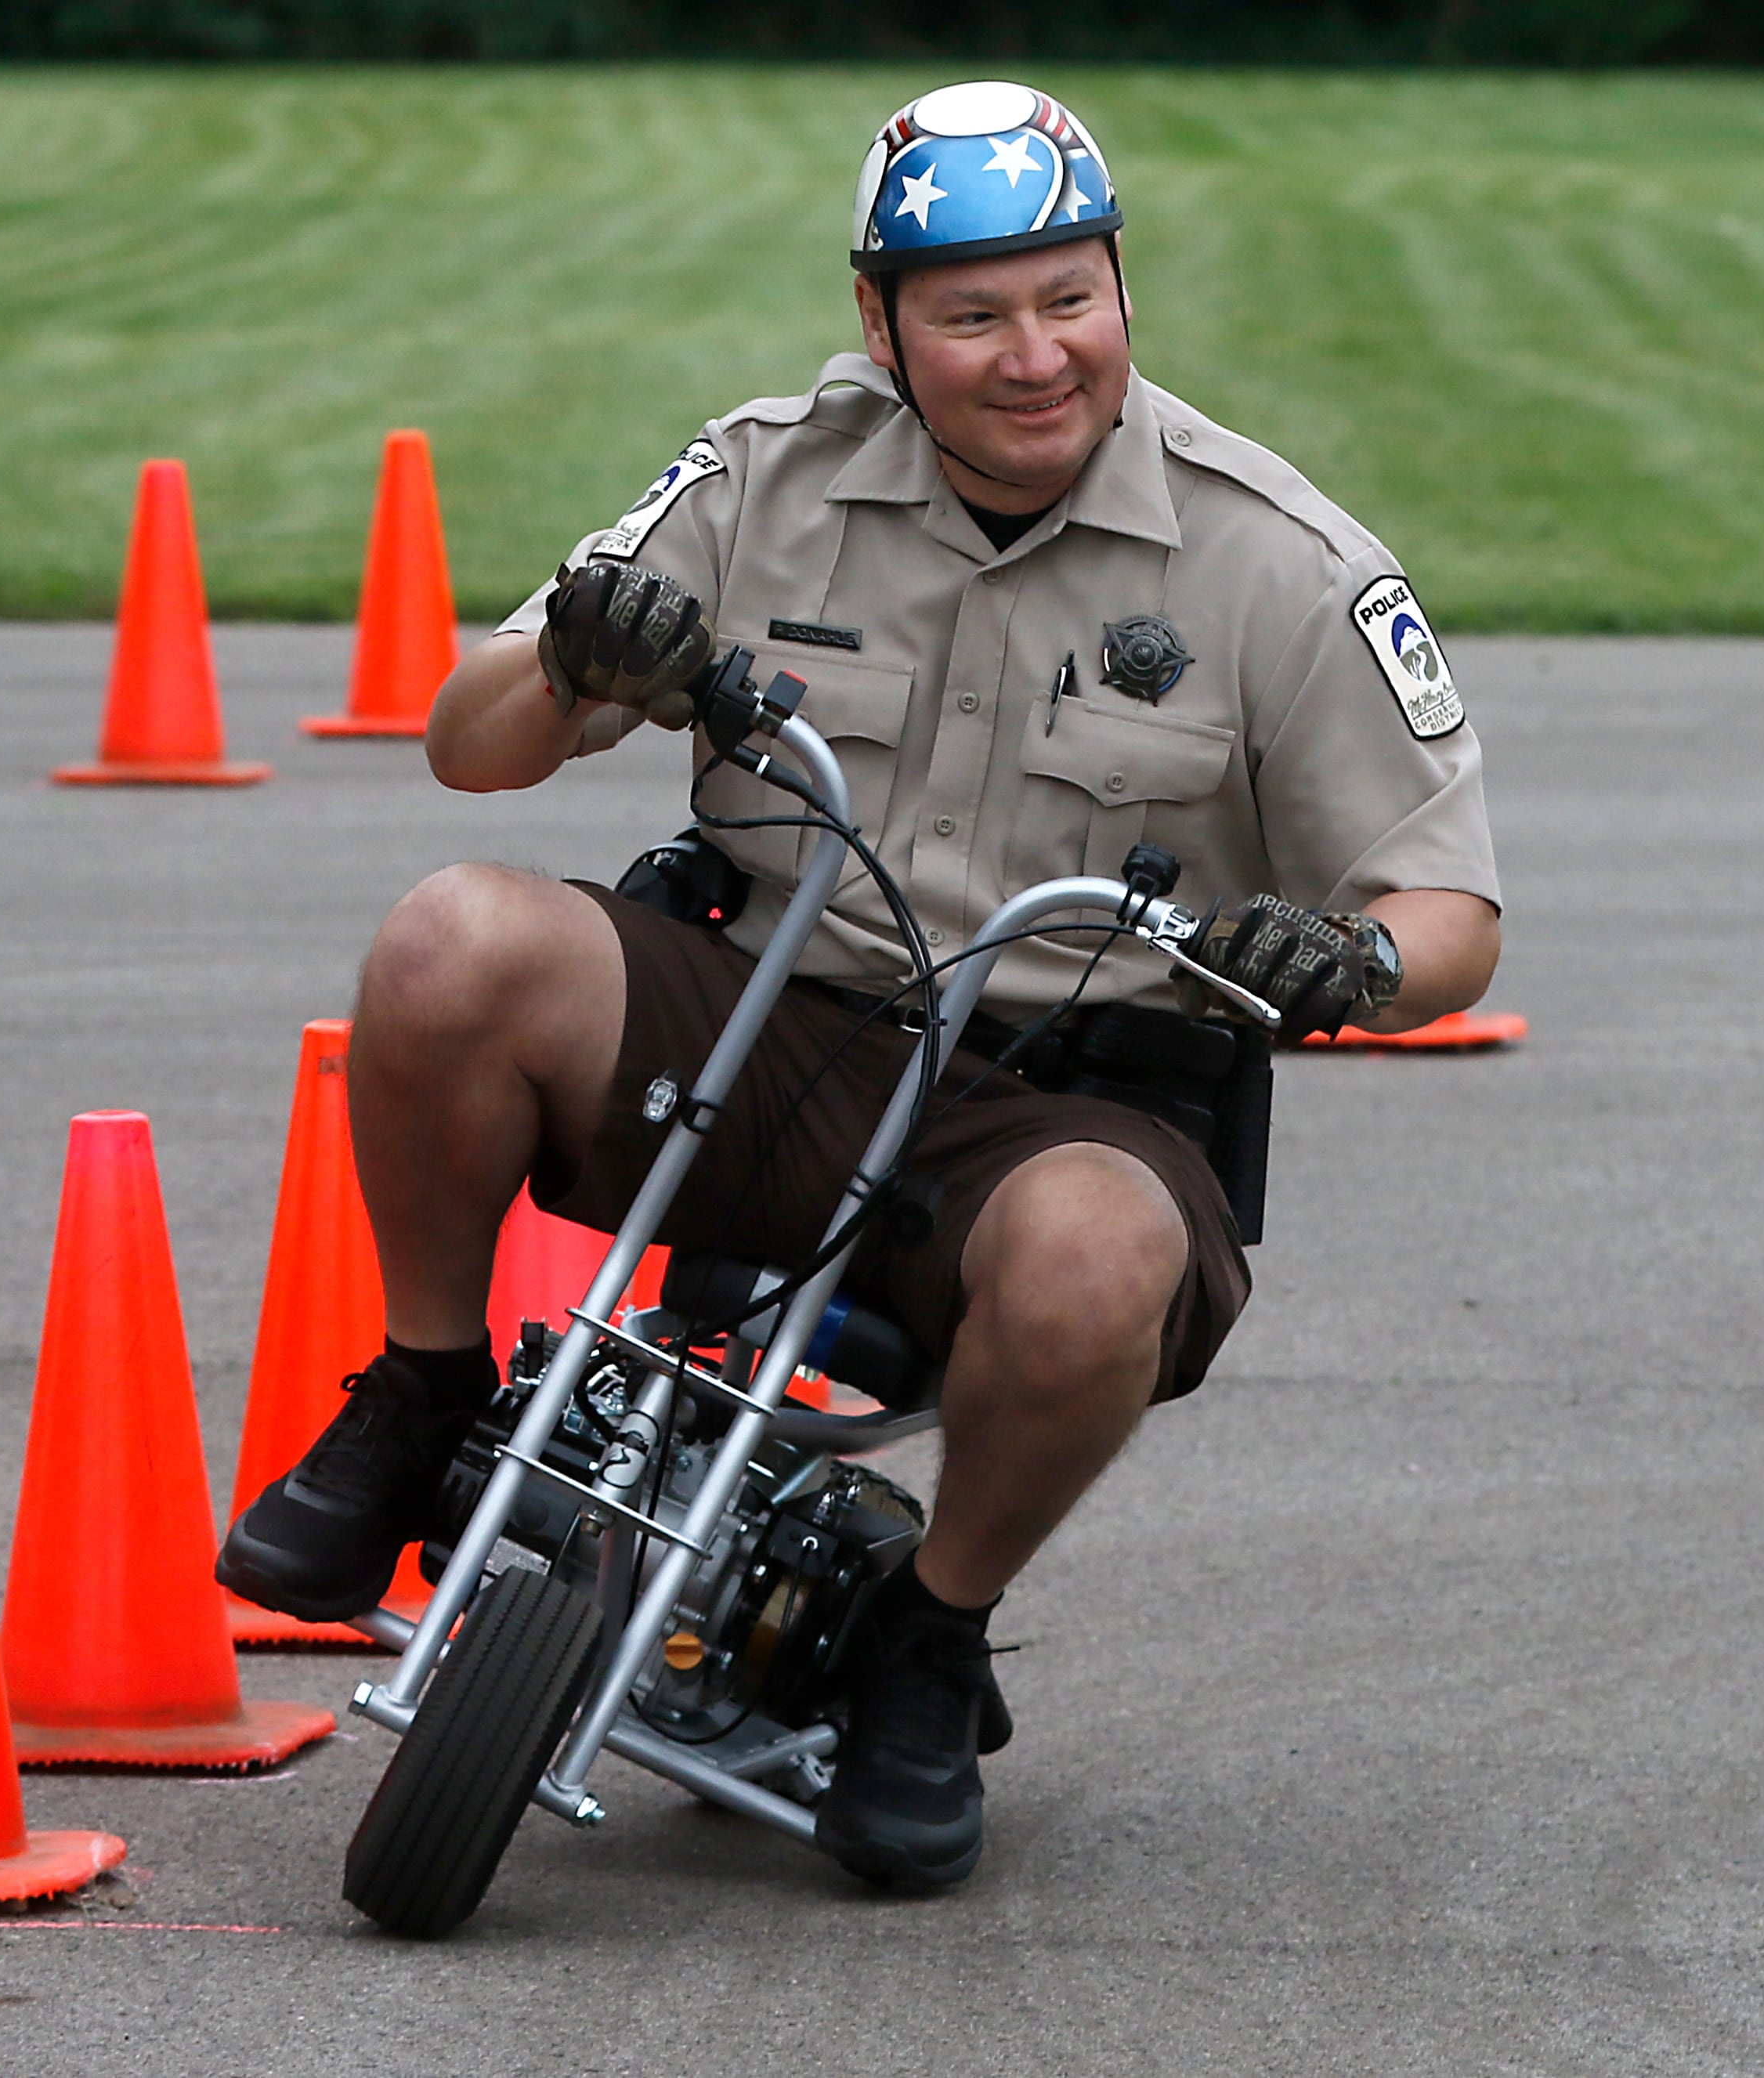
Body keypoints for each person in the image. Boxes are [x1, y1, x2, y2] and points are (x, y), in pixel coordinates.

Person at [219, 79, 1502, 1890]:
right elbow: (473, 744)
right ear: (880, 324)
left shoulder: (1278, 561)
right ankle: (422, 1390)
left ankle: (931, 1627)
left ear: (1125, 288)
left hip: (1067, 1097)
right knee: (454, 936)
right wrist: (583, 651)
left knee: (1097, 1251)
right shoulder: (763, 475)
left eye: (1071, 299)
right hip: (765, 1024)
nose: (1034, 355)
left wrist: (1353, 961)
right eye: (972, 314)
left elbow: (1453, 910)